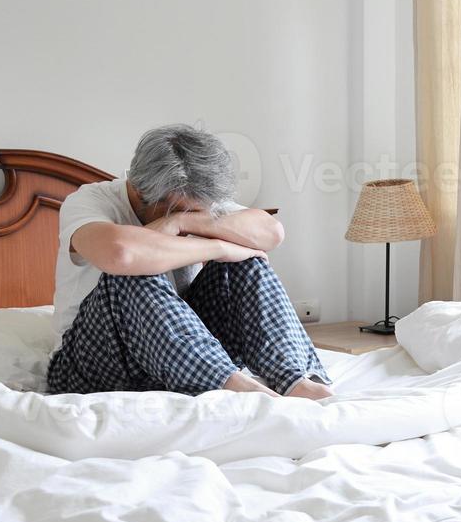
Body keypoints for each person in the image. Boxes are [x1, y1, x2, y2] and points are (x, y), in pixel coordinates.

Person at [45, 124, 332, 400]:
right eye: (182, 210)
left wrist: (186, 222)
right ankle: (236, 387)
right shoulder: (89, 200)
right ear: (140, 191)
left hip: (180, 356)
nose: (198, 215)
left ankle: (294, 380)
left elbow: (272, 232)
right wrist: (216, 245)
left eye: (199, 212)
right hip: (95, 361)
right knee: (130, 272)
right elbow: (121, 254)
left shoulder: (195, 197)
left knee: (245, 263)